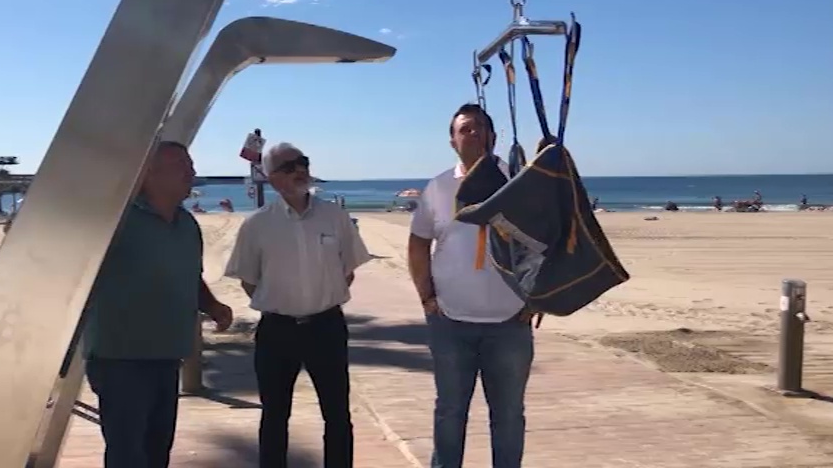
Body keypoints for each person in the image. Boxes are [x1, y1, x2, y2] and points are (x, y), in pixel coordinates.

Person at [81, 140, 234, 468]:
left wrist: (213, 306)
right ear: (149, 174)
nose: (191, 172)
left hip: (167, 357)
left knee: (156, 452)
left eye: (191, 165)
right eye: (181, 165)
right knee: (127, 455)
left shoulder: (187, 225)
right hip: (119, 359)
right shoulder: (116, 222)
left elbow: (190, 277)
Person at [407, 103, 540, 468]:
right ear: (452, 140)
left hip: (510, 324)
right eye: (465, 128)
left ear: (493, 137)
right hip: (451, 323)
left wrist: (538, 296)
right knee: (450, 413)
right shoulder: (438, 188)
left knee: (509, 416)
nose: (473, 133)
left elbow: (545, 241)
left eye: (480, 127)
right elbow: (418, 242)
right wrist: (427, 298)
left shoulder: (519, 181)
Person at [224, 142, 371, 468]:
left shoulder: (335, 216)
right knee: (275, 416)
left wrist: (319, 297)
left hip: (327, 327)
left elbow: (347, 271)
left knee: (337, 415)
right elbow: (248, 279)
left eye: (302, 162)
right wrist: (284, 301)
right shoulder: (257, 225)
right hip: (277, 331)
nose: (299, 171)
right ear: (272, 178)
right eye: (289, 167)